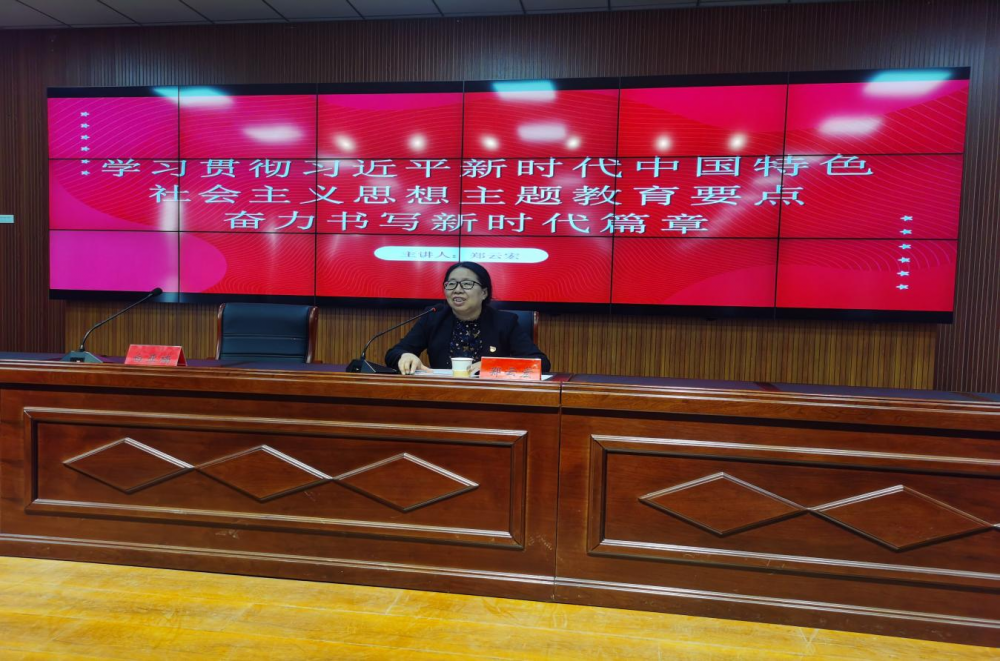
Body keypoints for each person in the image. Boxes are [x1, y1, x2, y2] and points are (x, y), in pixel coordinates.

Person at [385, 262, 551, 375]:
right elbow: (393, 354)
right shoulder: (433, 318)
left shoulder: (505, 322)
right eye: (451, 284)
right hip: (441, 395)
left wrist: (492, 365)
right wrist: (405, 356)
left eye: (466, 284)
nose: (457, 290)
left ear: (484, 293)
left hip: (492, 397)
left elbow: (541, 363)